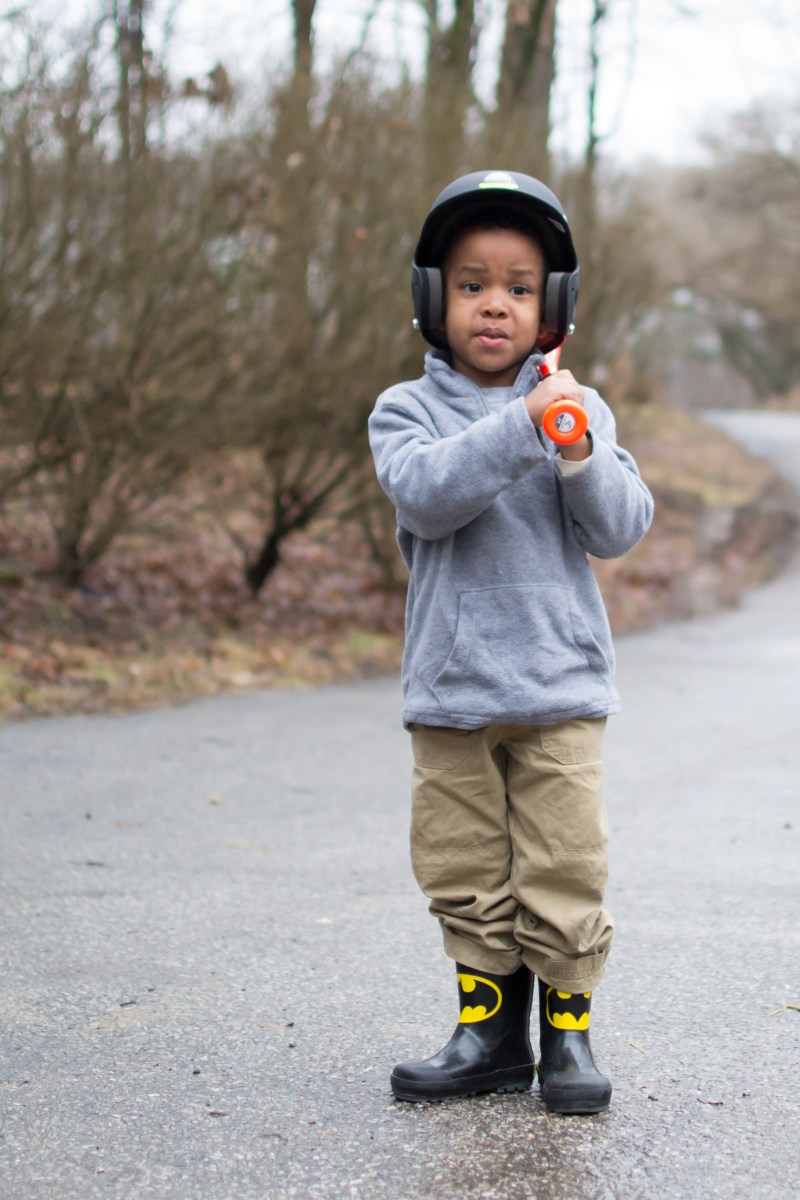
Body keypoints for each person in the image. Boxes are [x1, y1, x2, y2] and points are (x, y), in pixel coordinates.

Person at [367, 170, 654, 1115]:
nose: (495, 304)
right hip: (451, 694)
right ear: (431, 299)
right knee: (463, 868)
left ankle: (567, 1040)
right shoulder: (405, 413)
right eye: (471, 284)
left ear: (552, 306)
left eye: (519, 287)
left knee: (564, 866)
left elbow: (618, 527)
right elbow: (428, 497)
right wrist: (520, 426)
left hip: (559, 689)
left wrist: (575, 446)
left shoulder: (579, 407)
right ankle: (486, 1037)